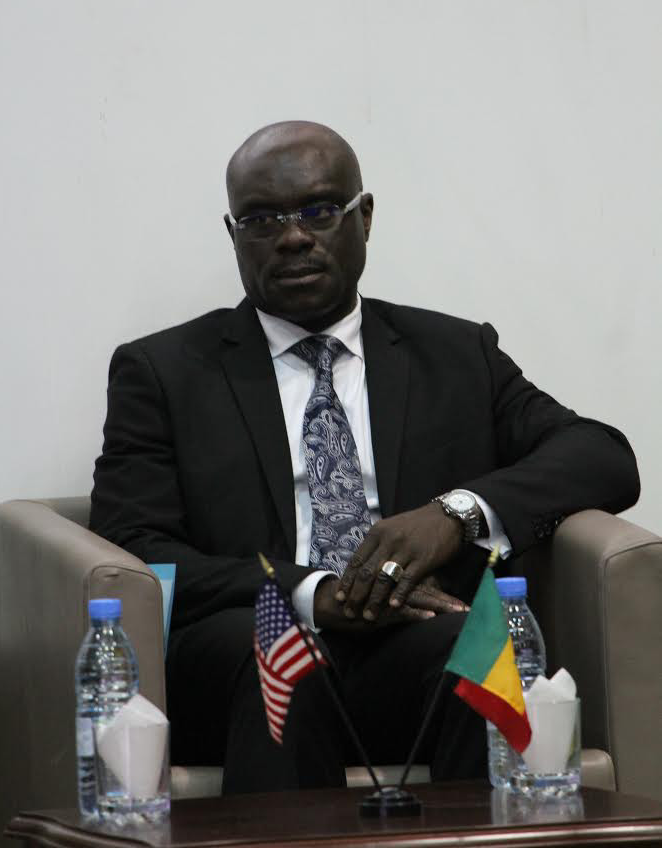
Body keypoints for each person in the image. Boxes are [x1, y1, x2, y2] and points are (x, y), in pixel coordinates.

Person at [90, 120, 639, 793]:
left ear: (365, 216)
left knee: (475, 650)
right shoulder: (164, 372)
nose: (294, 236)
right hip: (248, 651)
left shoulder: (455, 355)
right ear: (233, 235)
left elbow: (602, 455)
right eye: (262, 220)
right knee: (279, 655)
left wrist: (454, 514)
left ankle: (481, 837)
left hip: (413, 639)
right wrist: (312, 593)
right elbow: (135, 543)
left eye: (320, 210)